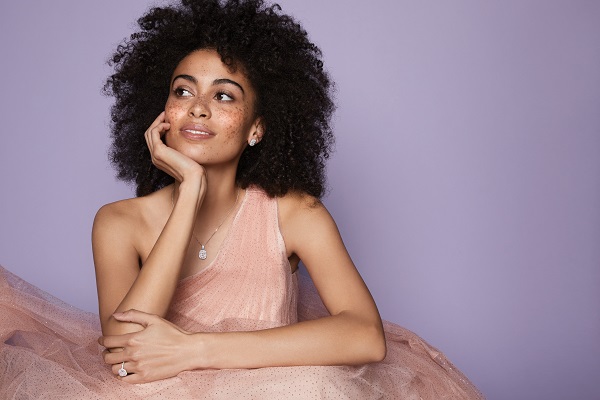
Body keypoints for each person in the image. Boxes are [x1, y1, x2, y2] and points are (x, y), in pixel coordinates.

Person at [0, 0, 484, 398]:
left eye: (225, 96)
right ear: (162, 111)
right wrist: (189, 191)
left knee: (313, 389)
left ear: (257, 128)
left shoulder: (296, 213)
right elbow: (126, 359)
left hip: (276, 391)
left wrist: (196, 350)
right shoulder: (119, 222)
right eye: (183, 90)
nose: (199, 107)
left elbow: (365, 335)